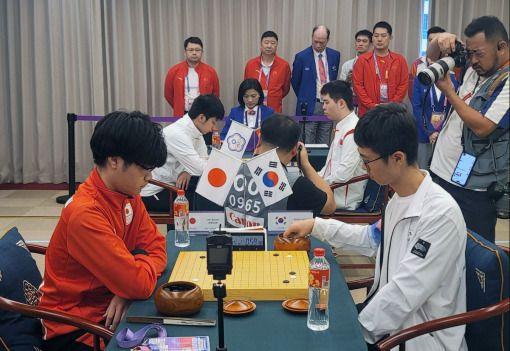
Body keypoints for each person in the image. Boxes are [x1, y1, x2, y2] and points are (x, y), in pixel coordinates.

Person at [284, 104, 467, 350]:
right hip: (387, 320)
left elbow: (404, 294)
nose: (363, 167)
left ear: (398, 158)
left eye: (366, 160)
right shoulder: (400, 198)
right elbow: (372, 238)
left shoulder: (439, 214)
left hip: (417, 335)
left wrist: (352, 331)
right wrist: (316, 225)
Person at [39, 111, 168, 351]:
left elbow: (158, 245)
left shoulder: (127, 192)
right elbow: (138, 282)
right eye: (145, 170)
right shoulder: (85, 214)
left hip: (112, 307)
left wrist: (127, 287)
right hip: (76, 328)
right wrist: (131, 280)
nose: (149, 178)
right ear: (114, 161)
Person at [429, 16, 509, 243]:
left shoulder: (506, 80)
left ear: (501, 47)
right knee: (438, 245)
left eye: (479, 53)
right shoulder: (478, 66)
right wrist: (439, 41)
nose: (472, 60)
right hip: (442, 172)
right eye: (470, 53)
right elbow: (433, 57)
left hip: (474, 188)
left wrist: (450, 93)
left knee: (474, 251)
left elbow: (483, 127)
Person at [224, 114, 336, 227]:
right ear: (294, 151)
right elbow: (329, 206)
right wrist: (306, 164)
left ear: (259, 141)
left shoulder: (230, 170)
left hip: (228, 241)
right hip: (273, 244)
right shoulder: (296, 184)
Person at [141, 94, 225, 211]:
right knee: (200, 199)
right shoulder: (177, 133)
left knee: (205, 192)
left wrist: (187, 171)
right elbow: (201, 168)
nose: (214, 127)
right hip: (154, 190)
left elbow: (203, 161)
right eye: (213, 122)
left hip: (172, 184)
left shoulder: (197, 132)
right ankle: (185, 229)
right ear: (201, 118)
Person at [319, 80, 367, 209]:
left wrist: (318, 183)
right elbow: (328, 167)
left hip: (342, 199)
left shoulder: (353, 131)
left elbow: (343, 174)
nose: (323, 107)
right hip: (332, 190)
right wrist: (315, 179)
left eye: (326, 102)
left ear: (341, 103)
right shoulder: (344, 126)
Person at [291, 25, 341, 144]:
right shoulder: (301, 57)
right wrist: (306, 95)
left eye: (322, 42)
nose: (318, 45)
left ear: (327, 40)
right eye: (315, 41)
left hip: (329, 104)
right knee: (308, 142)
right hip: (309, 105)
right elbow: (295, 82)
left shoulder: (335, 55)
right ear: (312, 37)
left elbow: (333, 78)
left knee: (325, 141)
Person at [353, 21, 408, 117]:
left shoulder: (399, 60)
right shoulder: (363, 60)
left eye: (383, 36)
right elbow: (357, 86)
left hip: (392, 112)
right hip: (368, 112)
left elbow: (403, 85)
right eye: (376, 36)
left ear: (390, 37)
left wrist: (391, 105)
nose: (379, 39)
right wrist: (372, 105)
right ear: (372, 38)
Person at [412, 64, 458, 169]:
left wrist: (441, 132)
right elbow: (417, 107)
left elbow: (453, 109)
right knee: (423, 169)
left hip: (445, 134)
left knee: (441, 170)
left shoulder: (453, 80)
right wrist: (430, 131)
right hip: (423, 133)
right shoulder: (421, 79)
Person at [164, 37, 220, 117]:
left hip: (204, 115)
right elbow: (168, 94)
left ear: (202, 52)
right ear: (185, 52)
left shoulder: (210, 71)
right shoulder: (174, 71)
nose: (194, 53)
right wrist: (178, 107)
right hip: (182, 115)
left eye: (197, 50)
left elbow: (216, 95)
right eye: (191, 50)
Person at [220, 78, 274, 151]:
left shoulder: (269, 112)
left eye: (253, 96)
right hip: (239, 154)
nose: (250, 100)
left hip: (262, 153)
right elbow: (224, 135)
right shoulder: (235, 112)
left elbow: (275, 137)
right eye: (246, 96)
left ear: (260, 95)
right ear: (241, 97)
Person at [244, 31, 291, 113]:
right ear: (261, 45)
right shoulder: (251, 64)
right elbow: (246, 87)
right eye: (266, 43)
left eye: (273, 43)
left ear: (277, 45)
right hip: (253, 109)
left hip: (274, 109)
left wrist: (274, 96)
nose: (269, 46)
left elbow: (285, 89)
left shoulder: (284, 65)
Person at [408, 26, 447, 100]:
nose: (433, 43)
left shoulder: (451, 63)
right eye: (430, 40)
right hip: (423, 109)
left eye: (437, 40)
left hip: (444, 108)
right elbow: (411, 92)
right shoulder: (417, 63)